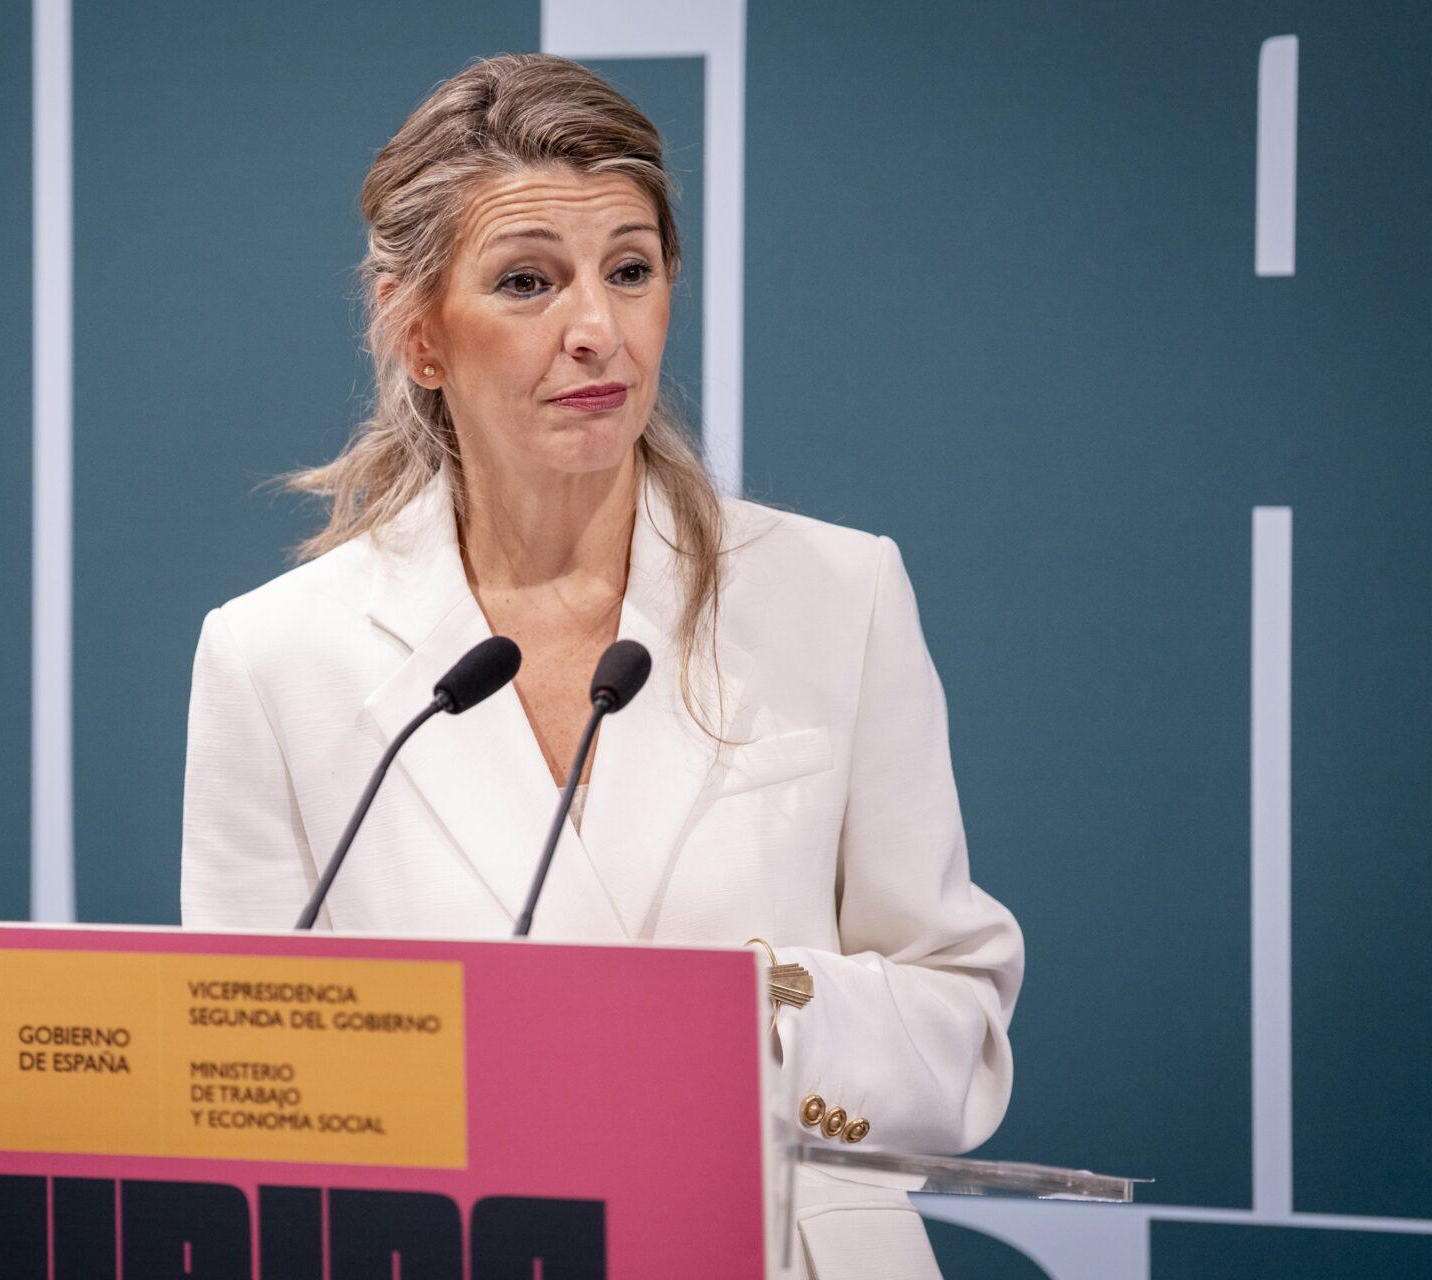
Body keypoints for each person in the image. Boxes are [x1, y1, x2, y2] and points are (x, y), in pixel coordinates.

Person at [181, 52, 1023, 1279]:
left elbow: (960, 1022)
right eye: (528, 281)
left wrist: (757, 1009)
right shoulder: (274, 655)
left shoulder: (839, 594)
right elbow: (241, 1079)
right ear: (419, 332)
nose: (597, 329)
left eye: (630, 270)